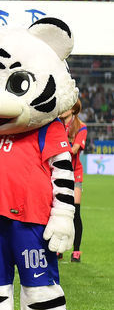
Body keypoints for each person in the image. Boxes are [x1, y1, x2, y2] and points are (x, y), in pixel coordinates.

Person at [60, 99, 87, 262]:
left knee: (75, 212)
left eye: (66, 107)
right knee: (59, 210)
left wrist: (59, 148)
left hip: (75, 173)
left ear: (73, 110)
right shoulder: (56, 125)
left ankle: (76, 251)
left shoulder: (81, 127)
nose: (63, 110)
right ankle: (59, 249)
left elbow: (75, 149)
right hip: (59, 172)